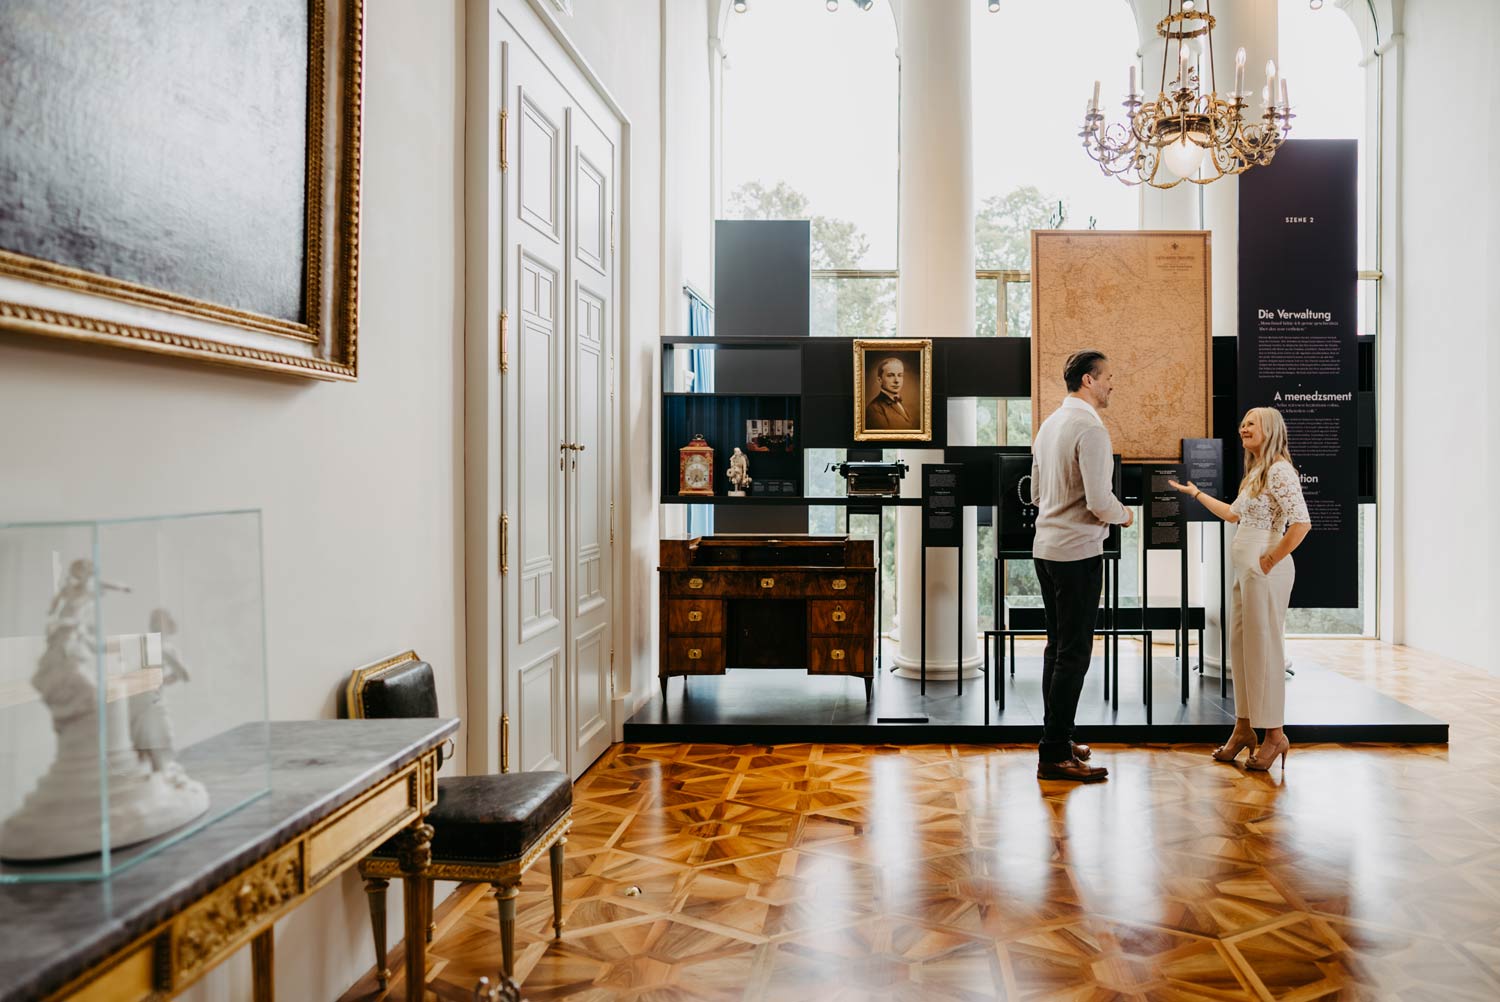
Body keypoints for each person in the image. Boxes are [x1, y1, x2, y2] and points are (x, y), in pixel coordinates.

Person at [1168, 406, 1310, 772]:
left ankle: (1275, 736)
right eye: (1242, 422)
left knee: (1265, 651)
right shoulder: (1255, 473)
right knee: (1242, 650)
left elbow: (1301, 523)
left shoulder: (1279, 470)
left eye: (1251, 423)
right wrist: (1196, 493)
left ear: (1271, 429)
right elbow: (1233, 514)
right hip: (1246, 571)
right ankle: (1244, 728)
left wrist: (1270, 560)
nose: (1243, 427)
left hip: (1265, 571)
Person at [1030, 349, 1133, 782]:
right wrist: (1127, 515)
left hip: (1046, 550)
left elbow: (1035, 494)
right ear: (1088, 381)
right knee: (1073, 655)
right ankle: (1054, 753)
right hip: (1077, 554)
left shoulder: (1050, 424)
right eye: (1108, 376)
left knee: (1057, 649)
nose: (1112, 384)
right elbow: (1099, 501)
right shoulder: (1090, 428)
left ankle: (1059, 737)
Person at [864, 356, 919, 431]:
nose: (896, 380)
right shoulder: (874, 409)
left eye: (900, 375)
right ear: (880, 380)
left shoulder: (899, 402)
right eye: (890, 375)